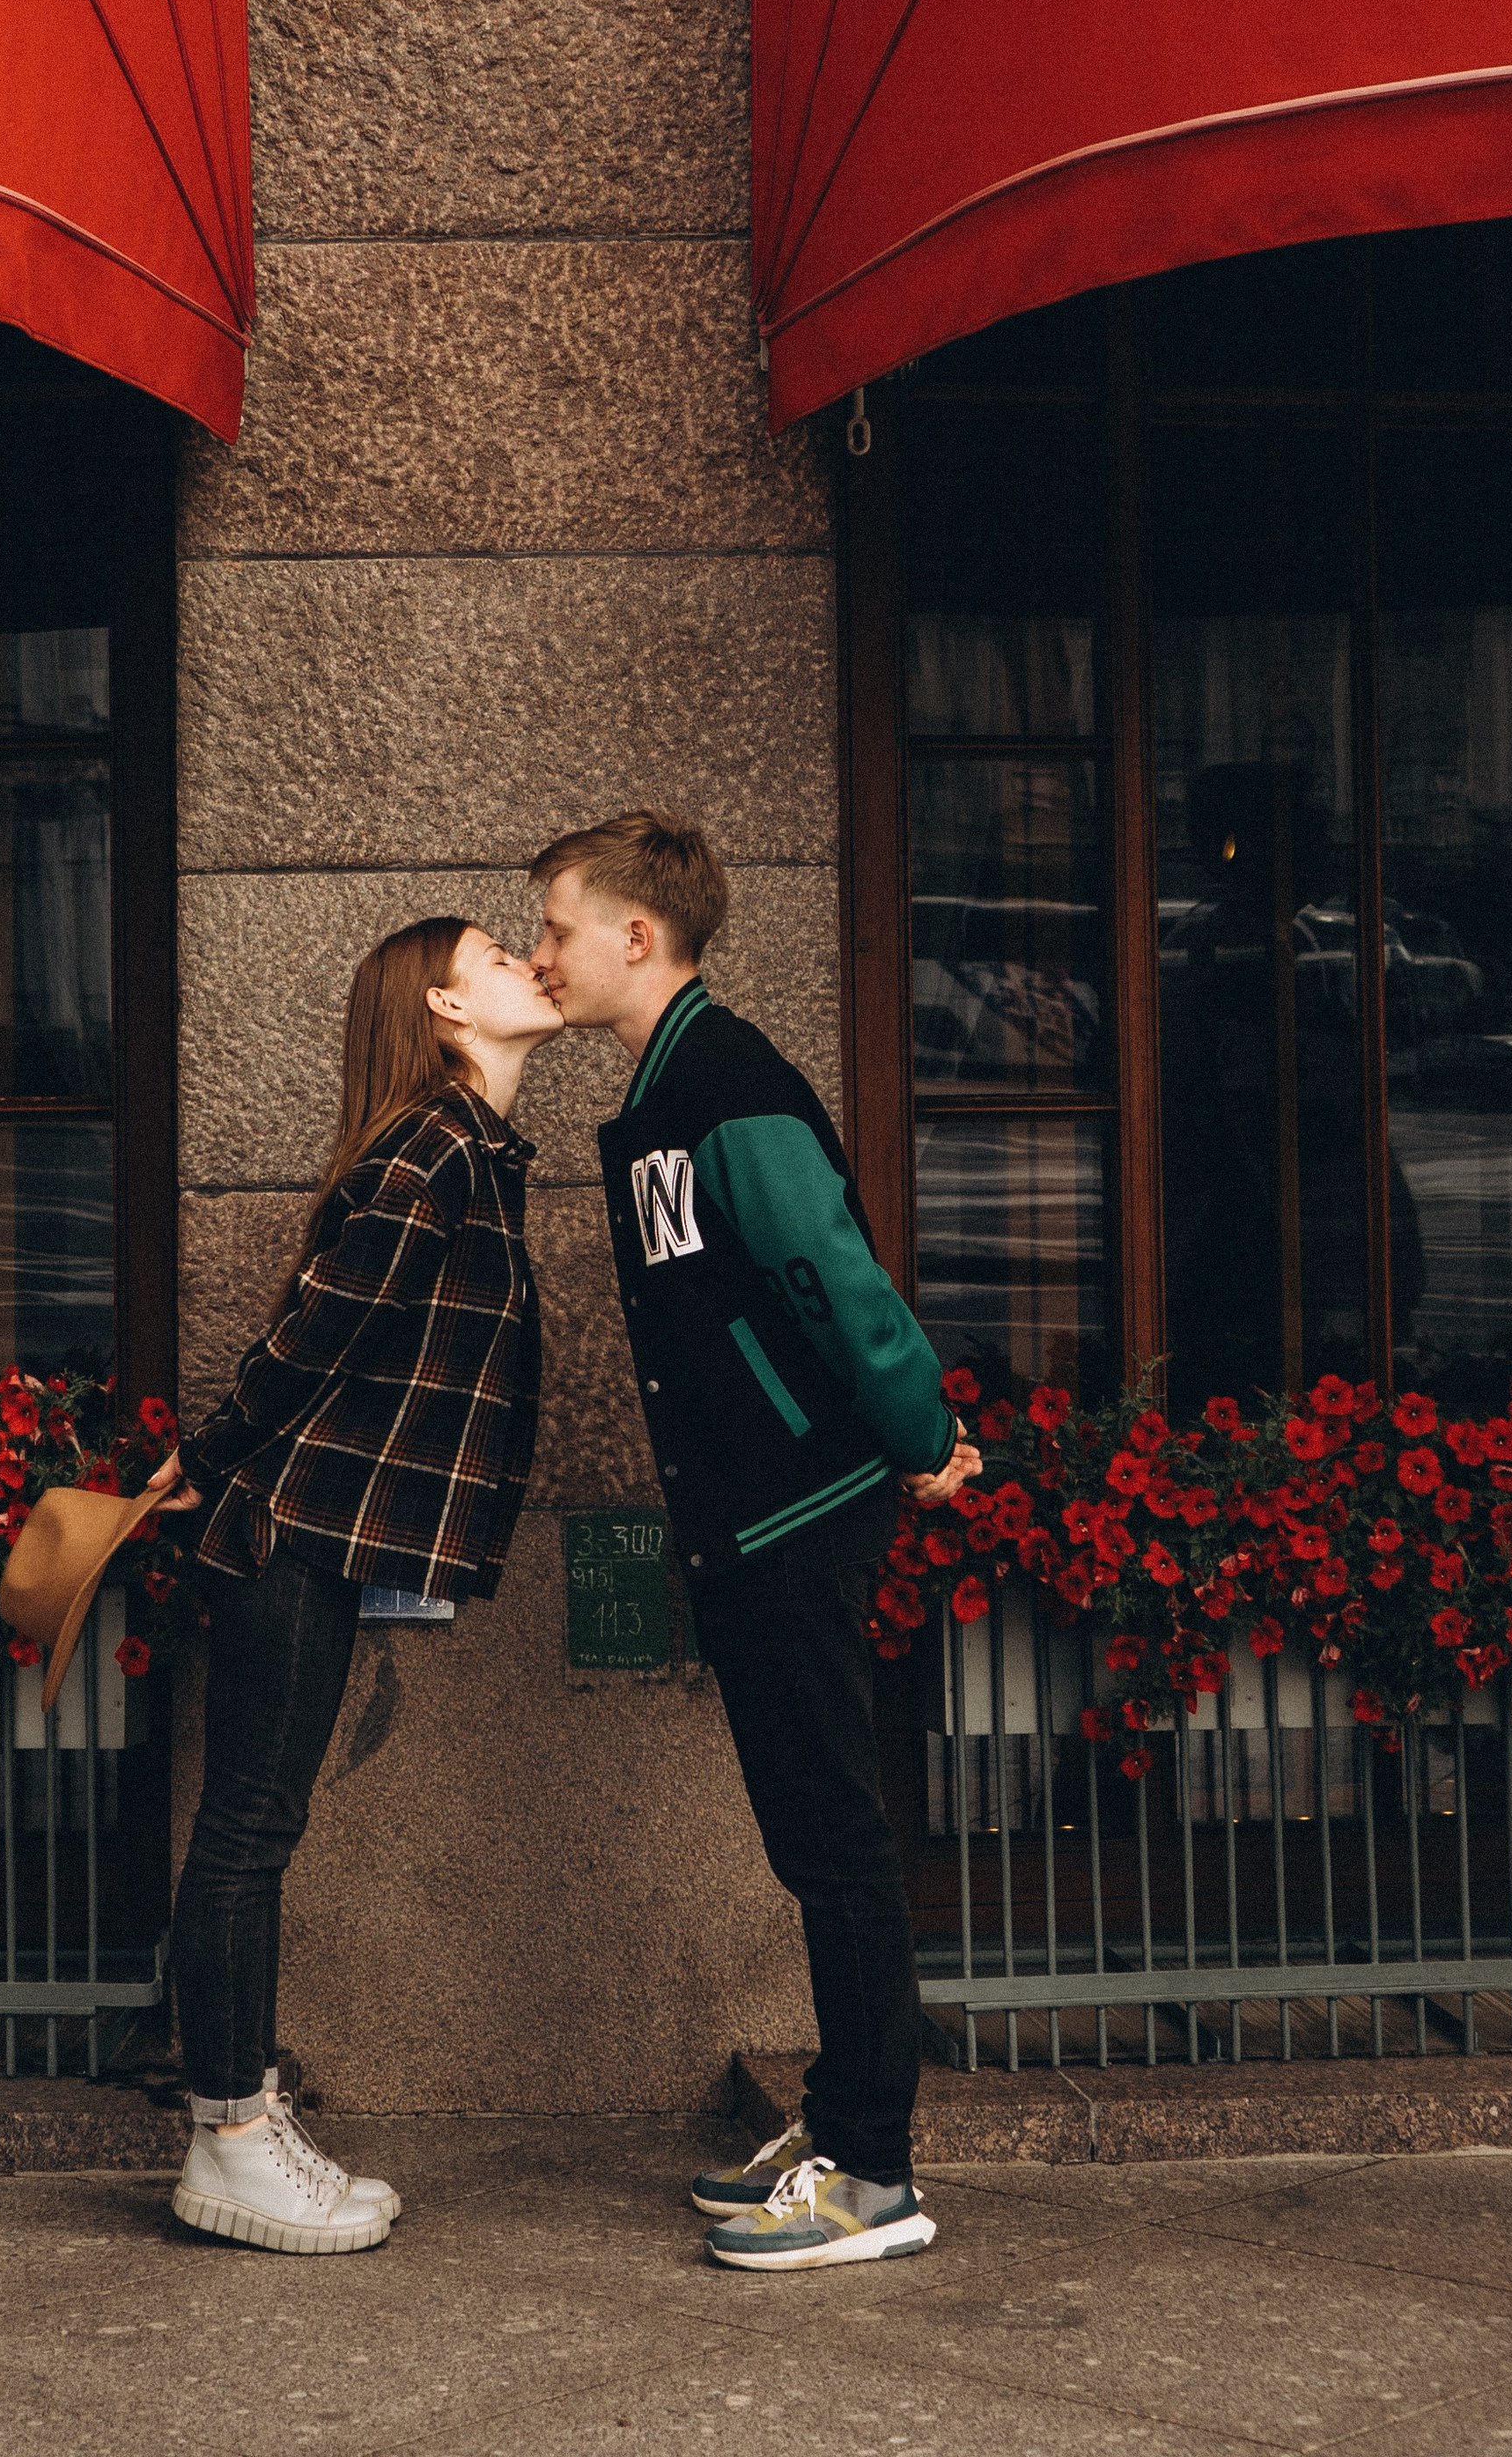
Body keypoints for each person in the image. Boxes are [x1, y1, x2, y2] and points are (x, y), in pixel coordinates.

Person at [530, 812, 978, 2273]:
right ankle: (843, 2124)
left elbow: (836, 1284)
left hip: (796, 1513)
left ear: (636, 938)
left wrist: (919, 1440)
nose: (543, 951)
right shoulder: (669, 1090)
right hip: (749, 1520)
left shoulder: (728, 1085)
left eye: (556, 927)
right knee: (808, 1840)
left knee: (838, 1843)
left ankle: (873, 2176)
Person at [157, 918, 561, 2254]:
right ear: (444, 1002)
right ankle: (227, 2137)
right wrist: (203, 1459)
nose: (526, 965)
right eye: (500, 952)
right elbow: (317, 1332)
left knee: (255, 1829)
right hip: (290, 1527)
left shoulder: (472, 1153)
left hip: (324, 1533)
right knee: (247, 1832)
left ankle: (243, 2127)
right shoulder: (435, 1146)